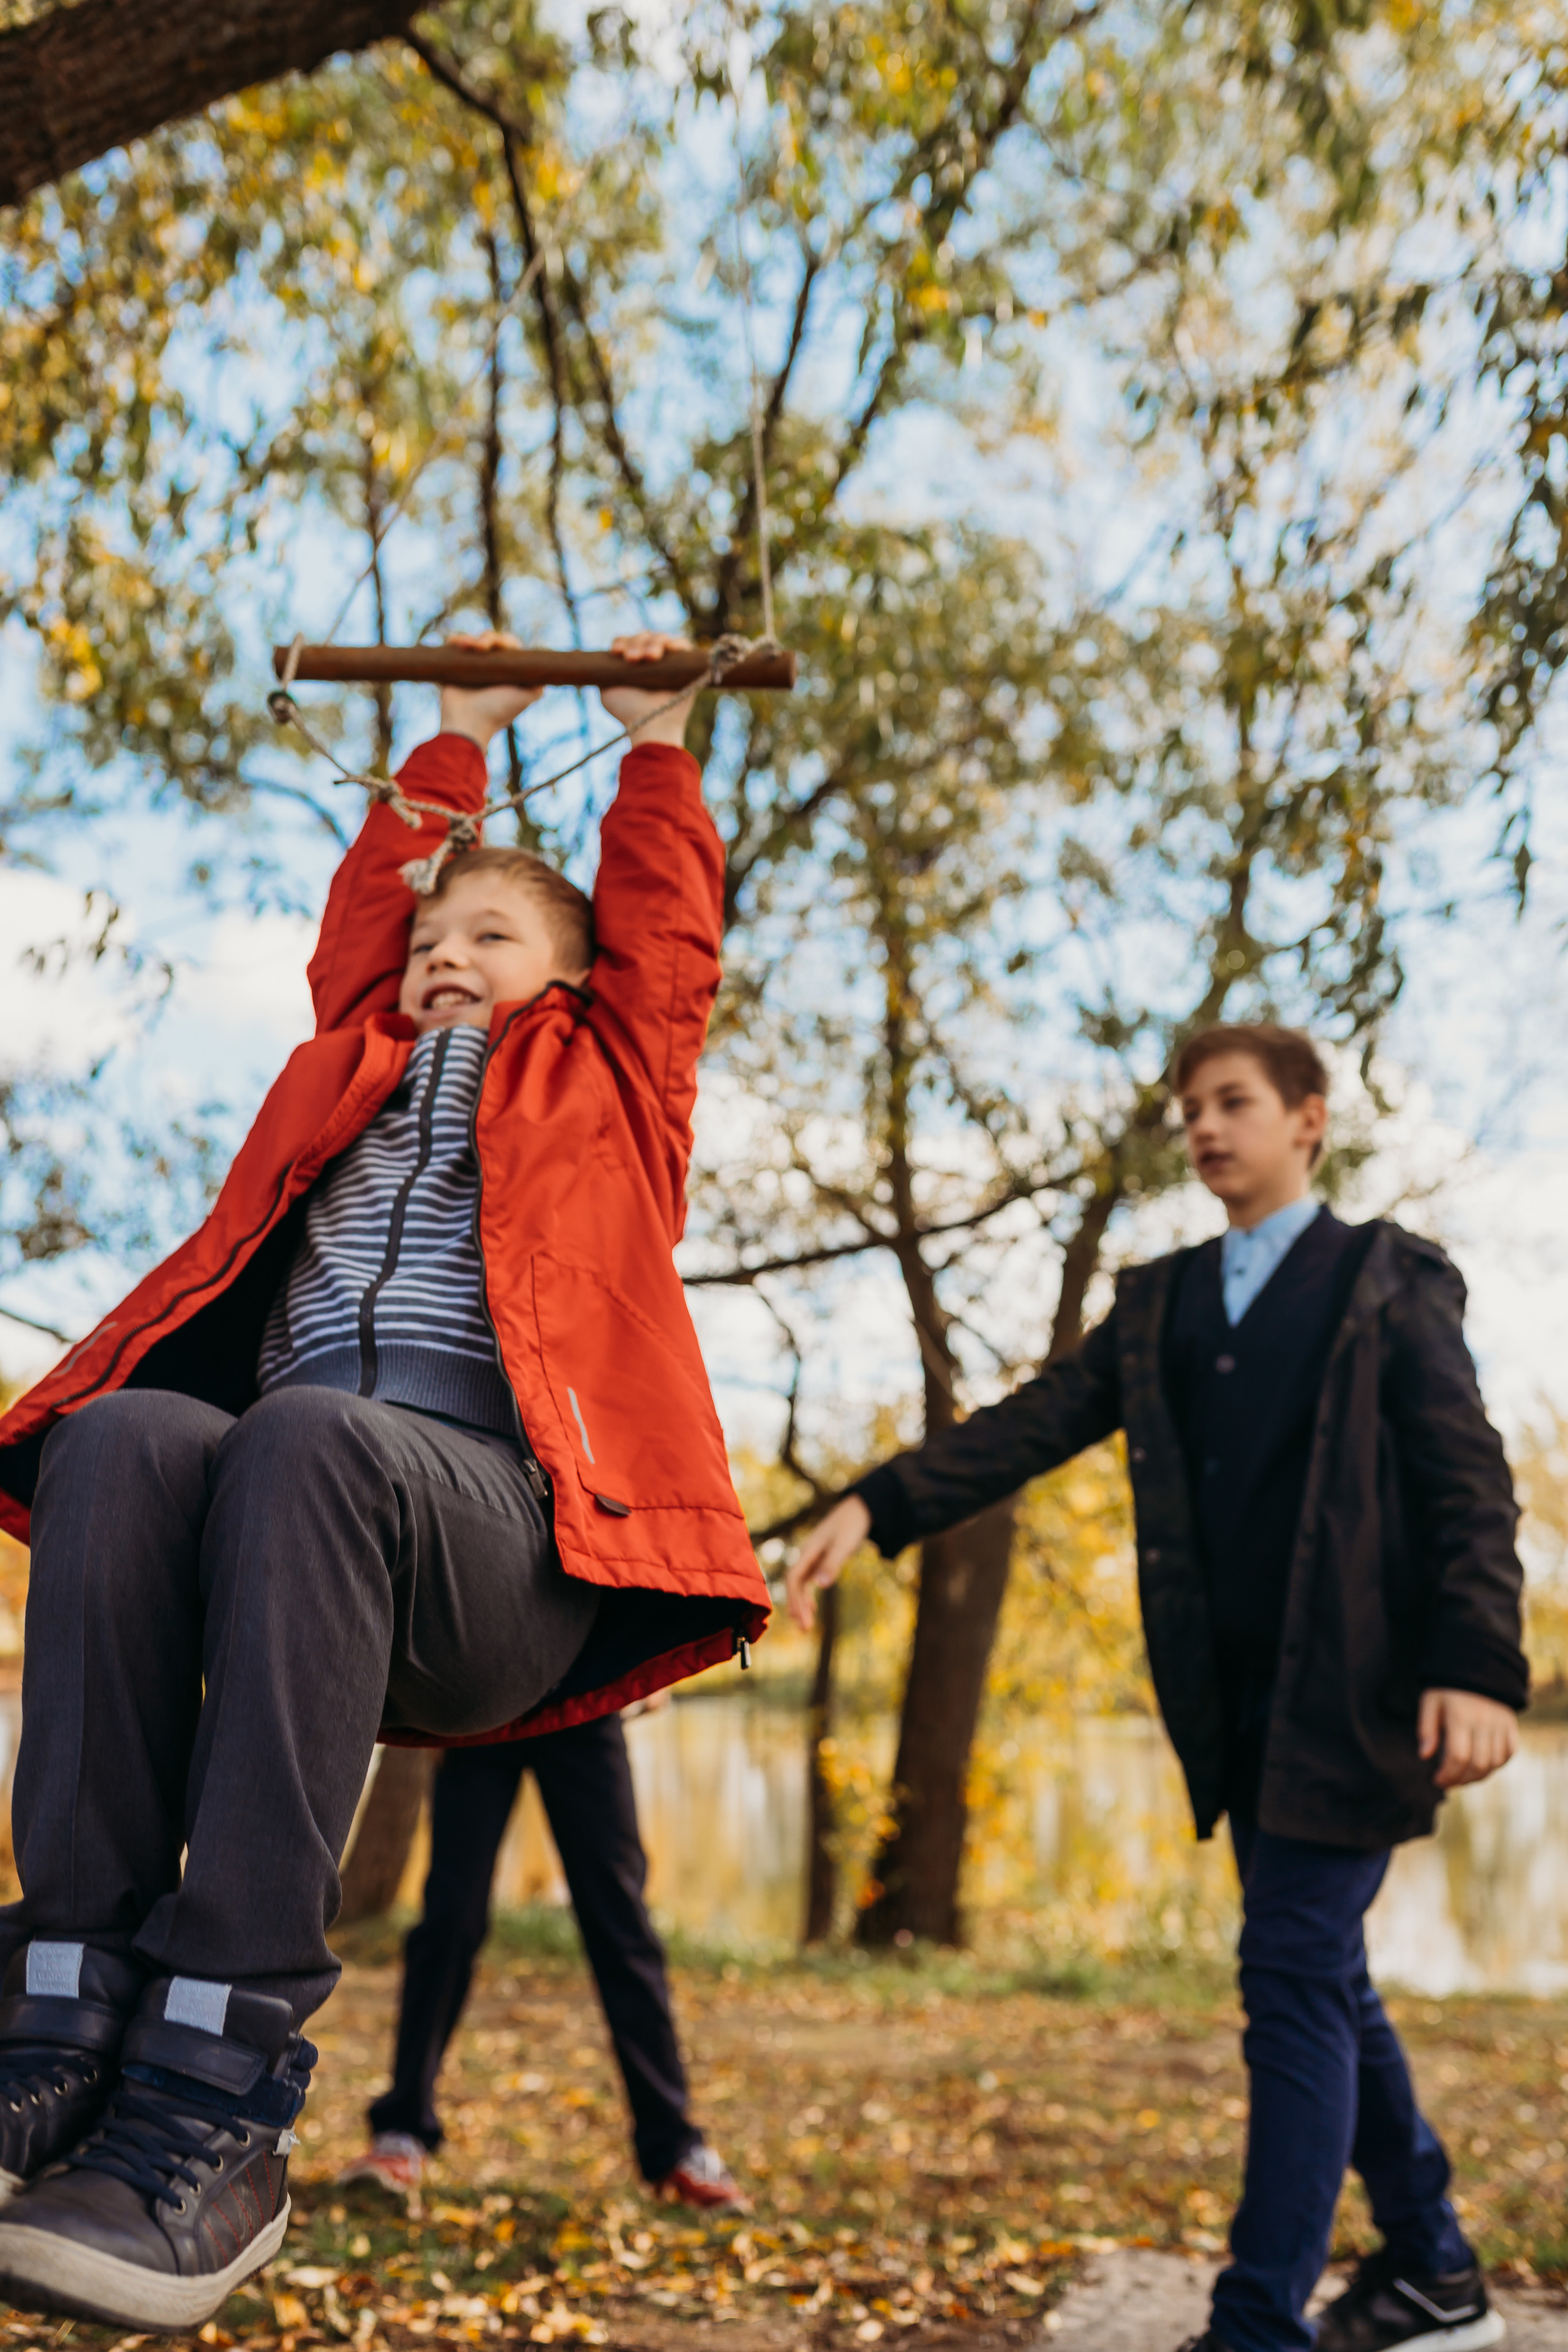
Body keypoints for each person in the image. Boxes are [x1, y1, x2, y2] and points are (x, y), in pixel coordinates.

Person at [0, 632, 768, 2334]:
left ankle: (219, 2089)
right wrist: (450, 744)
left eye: (492, 937)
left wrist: (655, 751)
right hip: (282, 1523)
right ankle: (60, 2021)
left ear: (568, 974)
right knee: (120, 1432)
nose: (444, 958)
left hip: (494, 1546)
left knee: (309, 1439)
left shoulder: (613, 1077)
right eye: (431, 940)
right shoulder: (344, 1059)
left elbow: (668, 948)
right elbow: (368, 922)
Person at [789, 1024, 1525, 2352]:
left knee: (1289, 1975)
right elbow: (1028, 1424)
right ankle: (1431, 2266)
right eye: (1188, 1107)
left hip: (1355, 1705)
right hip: (1230, 1713)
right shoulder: (1161, 1302)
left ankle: (1255, 2327)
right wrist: (876, 1502)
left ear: (1306, 1119)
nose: (1202, 1126)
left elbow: (1467, 1485)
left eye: (1231, 1101)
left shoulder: (1384, 1279)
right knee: (1324, 1979)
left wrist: (1474, 1663)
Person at [339, 1706, 744, 2213]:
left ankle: (676, 2148)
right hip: (480, 1710)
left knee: (622, 1925)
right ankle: (400, 2133)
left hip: (585, 1703)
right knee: (449, 1921)